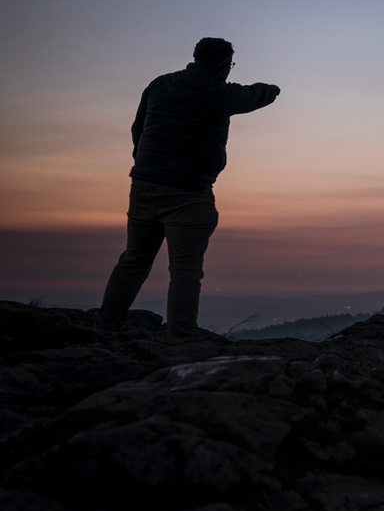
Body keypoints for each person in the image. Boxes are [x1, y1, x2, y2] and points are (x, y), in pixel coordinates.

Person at [96, 37, 280, 338]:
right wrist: (274, 89)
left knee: (134, 259)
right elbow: (260, 95)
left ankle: (105, 327)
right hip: (189, 193)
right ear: (224, 65)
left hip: (144, 185)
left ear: (195, 58)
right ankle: (182, 336)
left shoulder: (160, 85)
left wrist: (146, 166)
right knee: (185, 269)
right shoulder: (222, 94)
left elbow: (137, 129)